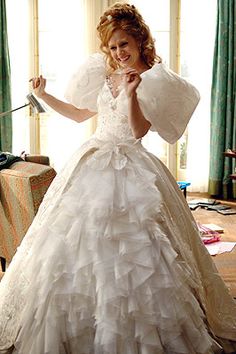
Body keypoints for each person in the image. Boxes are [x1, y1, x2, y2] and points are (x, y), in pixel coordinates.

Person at [0, 3, 236, 354]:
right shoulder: (107, 75)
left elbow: (139, 131)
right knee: (75, 243)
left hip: (132, 165)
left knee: (142, 246)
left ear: (139, 40)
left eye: (124, 44)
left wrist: (130, 94)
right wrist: (43, 95)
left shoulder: (154, 79)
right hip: (93, 160)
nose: (118, 53)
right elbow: (81, 115)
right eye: (112, 47)